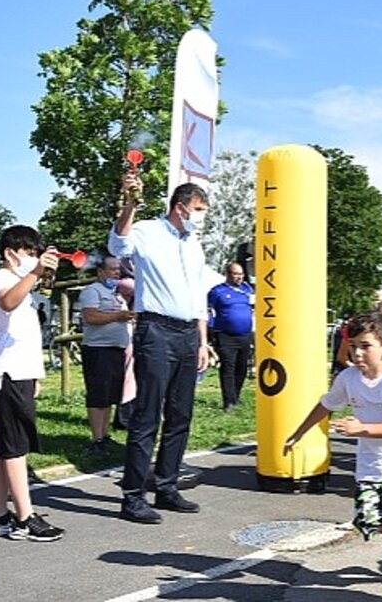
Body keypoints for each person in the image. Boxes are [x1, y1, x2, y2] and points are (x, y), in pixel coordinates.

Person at [285, 312, 382, 592]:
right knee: (367, 522)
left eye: (365, 346)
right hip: (370, 465)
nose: (357, 353)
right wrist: (299, 432)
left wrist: (361, 429)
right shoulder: (349, 378)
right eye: (353, 347)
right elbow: (326, 405)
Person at [108, 174, 211, 524]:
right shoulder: (148, 230)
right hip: (155, 330)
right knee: (147, 415)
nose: (201, 217)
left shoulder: (193, 243)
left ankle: (166, 486)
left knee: (181, 415)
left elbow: (198, 295)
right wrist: (131, 203)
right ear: (180, 208)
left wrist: (203, 340)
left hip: (187, 334)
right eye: (198, 210)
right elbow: (118, 244)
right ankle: (133, 496)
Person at [0, 225, 64, 542]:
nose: (34, 258)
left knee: (4, 449)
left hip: (19, 373)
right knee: (15, 448)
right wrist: (36, 273)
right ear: (10, 253)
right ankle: (25, 519)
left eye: (36, 253)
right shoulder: (4, 279)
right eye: (29, 253)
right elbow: (6, 302)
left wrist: (36, 375)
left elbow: (26, 337)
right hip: (6, 374)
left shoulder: (21, 284)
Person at [80, 255, 134, 455]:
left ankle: (105, 434)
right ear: (101, 272)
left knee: (110, 396)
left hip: (116, 350)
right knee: (98, 396)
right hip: (98, 350)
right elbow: (91, 316)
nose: (117, 273)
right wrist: (119, 316)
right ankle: (96, 439)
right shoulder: (92, 291)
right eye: (112, 269)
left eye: (118, 270)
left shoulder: (117, 295)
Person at [207, 262, 254, 412]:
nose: (239, 277)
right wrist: (212, 330)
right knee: (228, 367)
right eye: (236, 274)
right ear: (228, 274)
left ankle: (236, 397)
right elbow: (208, 310)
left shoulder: (246, 290)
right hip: (225, 335)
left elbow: (253, 306)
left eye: (241, 274)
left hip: (245, 335)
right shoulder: (217, 291)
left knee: (242, 368)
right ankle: (228, 401)